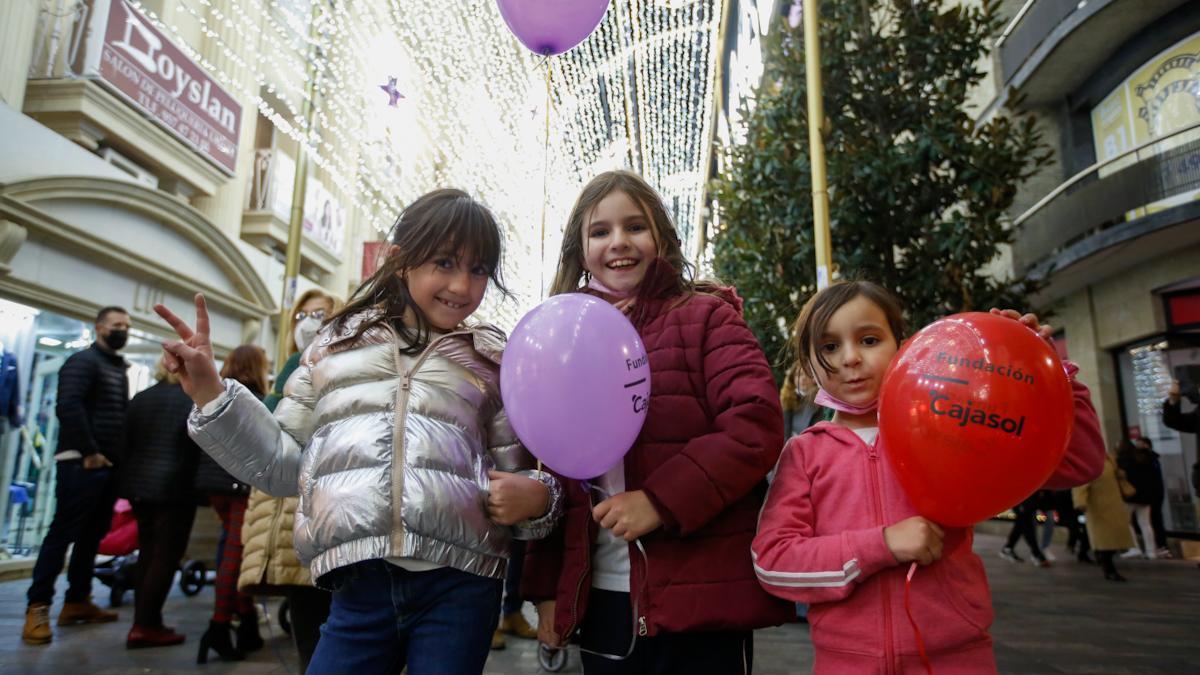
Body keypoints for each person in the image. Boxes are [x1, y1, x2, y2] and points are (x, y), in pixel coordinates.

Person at [155, 188, 562, 675]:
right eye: (444, 262)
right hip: (358, 584)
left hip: (462, 587)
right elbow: (284, 467)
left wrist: (539, 497)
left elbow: (524, 479)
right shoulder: (334, 347)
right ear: (399, 261)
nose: (461, 284)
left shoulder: (493, 359)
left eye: (478, 269)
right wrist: (211, 395)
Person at [752, 281, 1105, 673]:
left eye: (869, 339)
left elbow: (1081, 463)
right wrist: (881, 545)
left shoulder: (950, 424)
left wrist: (1047, 372)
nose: (851, 358)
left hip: (957, 657)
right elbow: (773, 561)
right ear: (808, 364)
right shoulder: (804, 453)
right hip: (846, 663)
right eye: (830, 347)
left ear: (904, 345)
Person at [523, 171, 792, 674]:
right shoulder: (561, 340)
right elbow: (554, 467)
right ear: (580, 250)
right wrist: (545, 590)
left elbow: (754, 426)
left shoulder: (707, 318)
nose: (618, 242)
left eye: (635, 227)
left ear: (662, 239)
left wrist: (659, 501)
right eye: (600, 231)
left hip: (698, 598)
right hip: (602, 595)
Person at [241, 289, 338, 672]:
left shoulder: (327, 366)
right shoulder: (291, 365)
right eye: (303, 316)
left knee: (322, 635)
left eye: (321, 315)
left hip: (320, 515)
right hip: (291, 516)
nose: (310, 323)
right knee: (312, 628)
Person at [23, 306, 131, 645]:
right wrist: (90, 452)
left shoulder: (116, 367)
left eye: (126, 326)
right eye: (117, 325)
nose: (122, 330)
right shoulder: (82, 362)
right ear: (99, 327)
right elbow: (68, 406)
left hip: (107, 465)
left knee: (91, 536)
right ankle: (38, 607)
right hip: (81, 462)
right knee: (62, 534)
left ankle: (77, 600)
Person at [118, 358, 202, 649]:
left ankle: (142, 620)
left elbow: (125, 443)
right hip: (175, 489)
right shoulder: (191, 400)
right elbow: (197, 448)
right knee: (165, 557)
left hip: (139, 486)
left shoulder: (141, 398)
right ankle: (146, 624)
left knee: (147, 552)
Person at [193, 345, 263, 664]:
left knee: (233, 552)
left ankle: (247, 623)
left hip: (214, 484)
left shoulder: (217, 391)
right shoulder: (251, 397)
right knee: (235, 557)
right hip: (238, 483)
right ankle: (219, 626)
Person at [1073, 448, 1135, 582]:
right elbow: (1081, 484)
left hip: (1113, 503)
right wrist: (1081, 501)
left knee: (1114, 536)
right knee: (1103, 540)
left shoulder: (1108, 459)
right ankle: (1108, 568)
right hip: (1097, 506)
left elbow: (1118, 475)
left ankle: (1098, 558)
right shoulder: (1088, 463)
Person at [1116, 437, 1166, 559]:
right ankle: (1151, 551)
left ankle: (1134, 548)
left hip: (1130, 496)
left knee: (1126, 522)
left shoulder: (1122, 461)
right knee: (1145, 523)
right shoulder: (1144, 458)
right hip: (1146, 496)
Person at [999, 493, 1051, 567]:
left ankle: (1008, 548)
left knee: (1021, 524)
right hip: (1021, 496)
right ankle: (1036, 554)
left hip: (1027, 496)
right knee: (1026, 524)